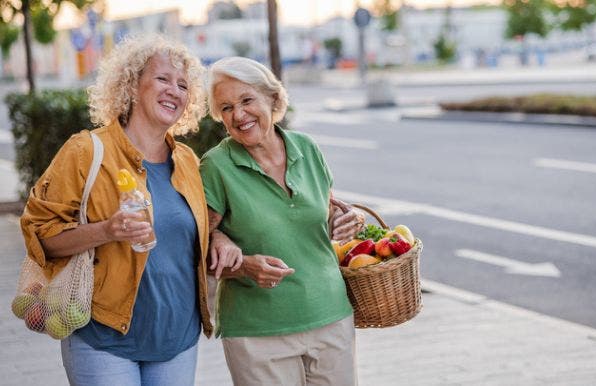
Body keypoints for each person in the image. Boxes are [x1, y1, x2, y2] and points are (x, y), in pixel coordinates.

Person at [20, 35, 221, 386]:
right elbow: (40, 236)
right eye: (162, 79)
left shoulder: (187, 161)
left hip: (177, 340)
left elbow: (197, 233)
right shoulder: (86, 151)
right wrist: (106, 230)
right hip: (104, 339)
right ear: (131, 84)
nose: (174, 90)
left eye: (183, 85)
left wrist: (222, 240)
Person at [200, 56, 365, 386]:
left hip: (330, 316)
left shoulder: (307, 148)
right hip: (258, 333)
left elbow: (325, 210)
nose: (239, 115)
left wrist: (352, 218)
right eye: (227, 108)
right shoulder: (216, 166)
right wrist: (244, 264)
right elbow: (198, 251)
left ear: (272, 98)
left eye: (247, 100)